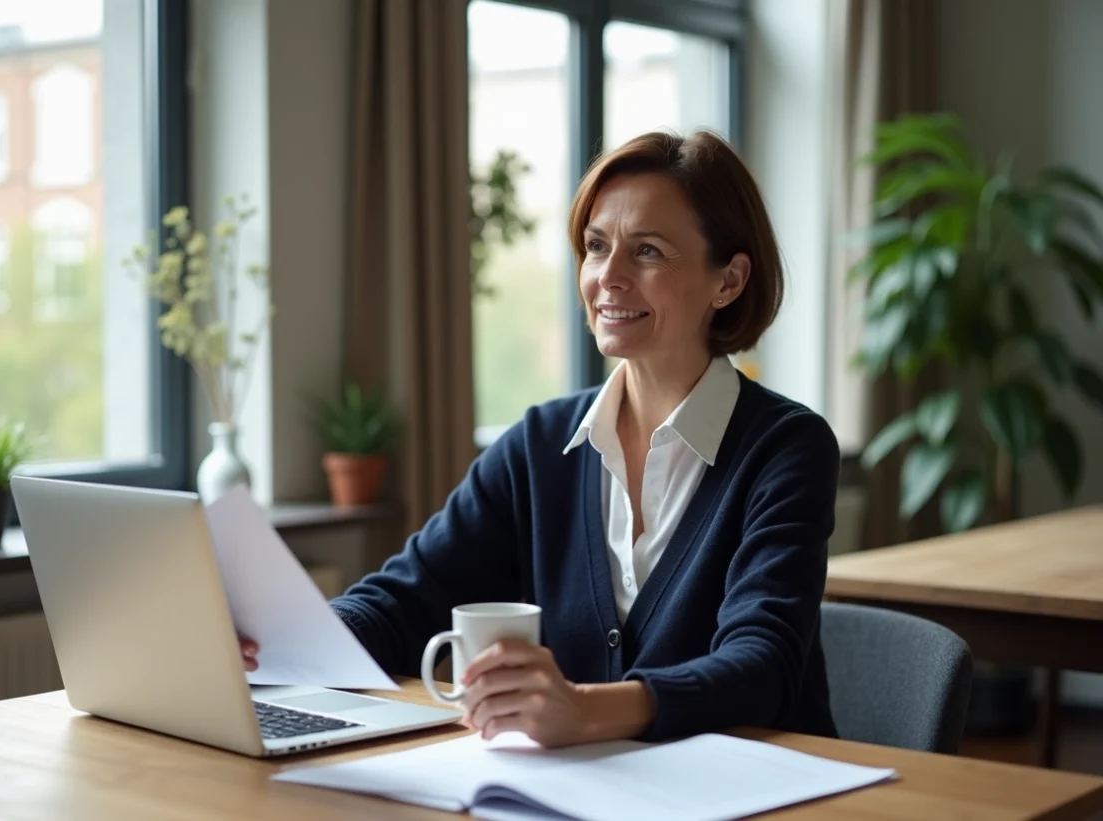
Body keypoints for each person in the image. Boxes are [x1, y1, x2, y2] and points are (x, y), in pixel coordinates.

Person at [241, 129, 841, 749]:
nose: (608, 276)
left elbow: (762, 667)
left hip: (760, 793)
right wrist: (276, 646)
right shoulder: (539, 444)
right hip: (584, 792)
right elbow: (404, 599)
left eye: (649, 252)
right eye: (596, 246)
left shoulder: (786, 448)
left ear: (729, 281)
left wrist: (584, 711)